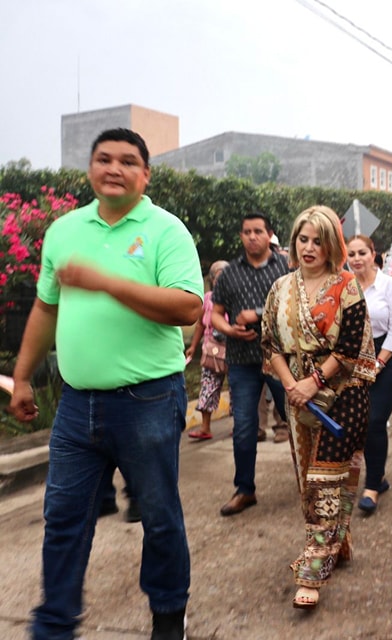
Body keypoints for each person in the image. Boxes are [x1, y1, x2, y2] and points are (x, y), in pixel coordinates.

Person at [8, 128, 203, 640]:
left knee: (159, 518)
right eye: (103, 159)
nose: (113, 168)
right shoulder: (64, 230)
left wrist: (108, 283)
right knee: (65, 519)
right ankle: (55, 623)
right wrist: (23, 377)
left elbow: (188, 307)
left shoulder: (166, 231)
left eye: (127, 161)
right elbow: (46, 308)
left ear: (145, 173)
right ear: (90, 168)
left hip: (148, 401)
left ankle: (167, 615)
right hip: (76, 406)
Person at [261, 205, 377, 608]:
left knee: (323, 480)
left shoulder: (347, 285)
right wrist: (292, 385)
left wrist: (313, 382)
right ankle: (338, 542)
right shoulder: (279, 288)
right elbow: (270, 345)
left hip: (343, 394)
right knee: (308, 484)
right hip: (297, 397)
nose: (309, 248)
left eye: (318, 241)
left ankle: (313, 569)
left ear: (332, 245)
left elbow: (347, 351)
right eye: (303, 239)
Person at [212, 212, 290, 516]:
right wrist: (229, 329)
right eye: (246, 232)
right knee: (244, 428)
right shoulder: (230, 273)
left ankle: (308, 484)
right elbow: (217, 312)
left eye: (258, 231)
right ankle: (245, 490)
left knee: (298, 424)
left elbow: (294, 306)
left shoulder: (286, 267)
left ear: (269, 234)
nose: (252, 237)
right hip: (242, 361)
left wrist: (256, 314)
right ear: (241, 236)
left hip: (282, 359)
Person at [346, 235, 392, 515]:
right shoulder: (346, 286)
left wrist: (378, 364)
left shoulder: (389, 285)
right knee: (364, 425)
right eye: (351, 254)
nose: (356, 258)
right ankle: (378, 478)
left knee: (374, 420)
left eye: (362, 253)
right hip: (356, 360)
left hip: (388, 359)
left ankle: (371, 487)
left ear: (373, 254)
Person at [184, 259, 230, 440]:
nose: (221, 280)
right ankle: (205, 427)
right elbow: (199, 326)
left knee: (236, 390)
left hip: (233, 351)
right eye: (218, 277)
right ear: (212, 279)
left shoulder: (236, 295)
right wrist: (193, 346)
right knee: (208, 387)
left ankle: (238, 426)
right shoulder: (208, 299)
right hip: (211, 351)